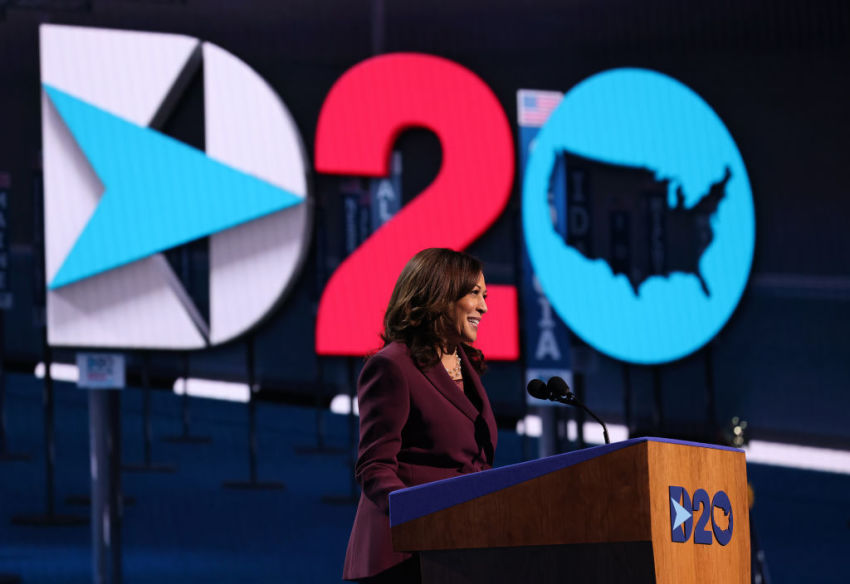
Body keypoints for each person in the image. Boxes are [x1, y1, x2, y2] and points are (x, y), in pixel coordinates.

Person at [342, 248, 499, 583]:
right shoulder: (392, 366)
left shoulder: (465, 364)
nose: (484, 306)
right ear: (439, 295)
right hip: (404, 557)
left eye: (484, 296)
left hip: (459, 547)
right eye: (474, 294)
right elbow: (374, 466)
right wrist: (419, 517)